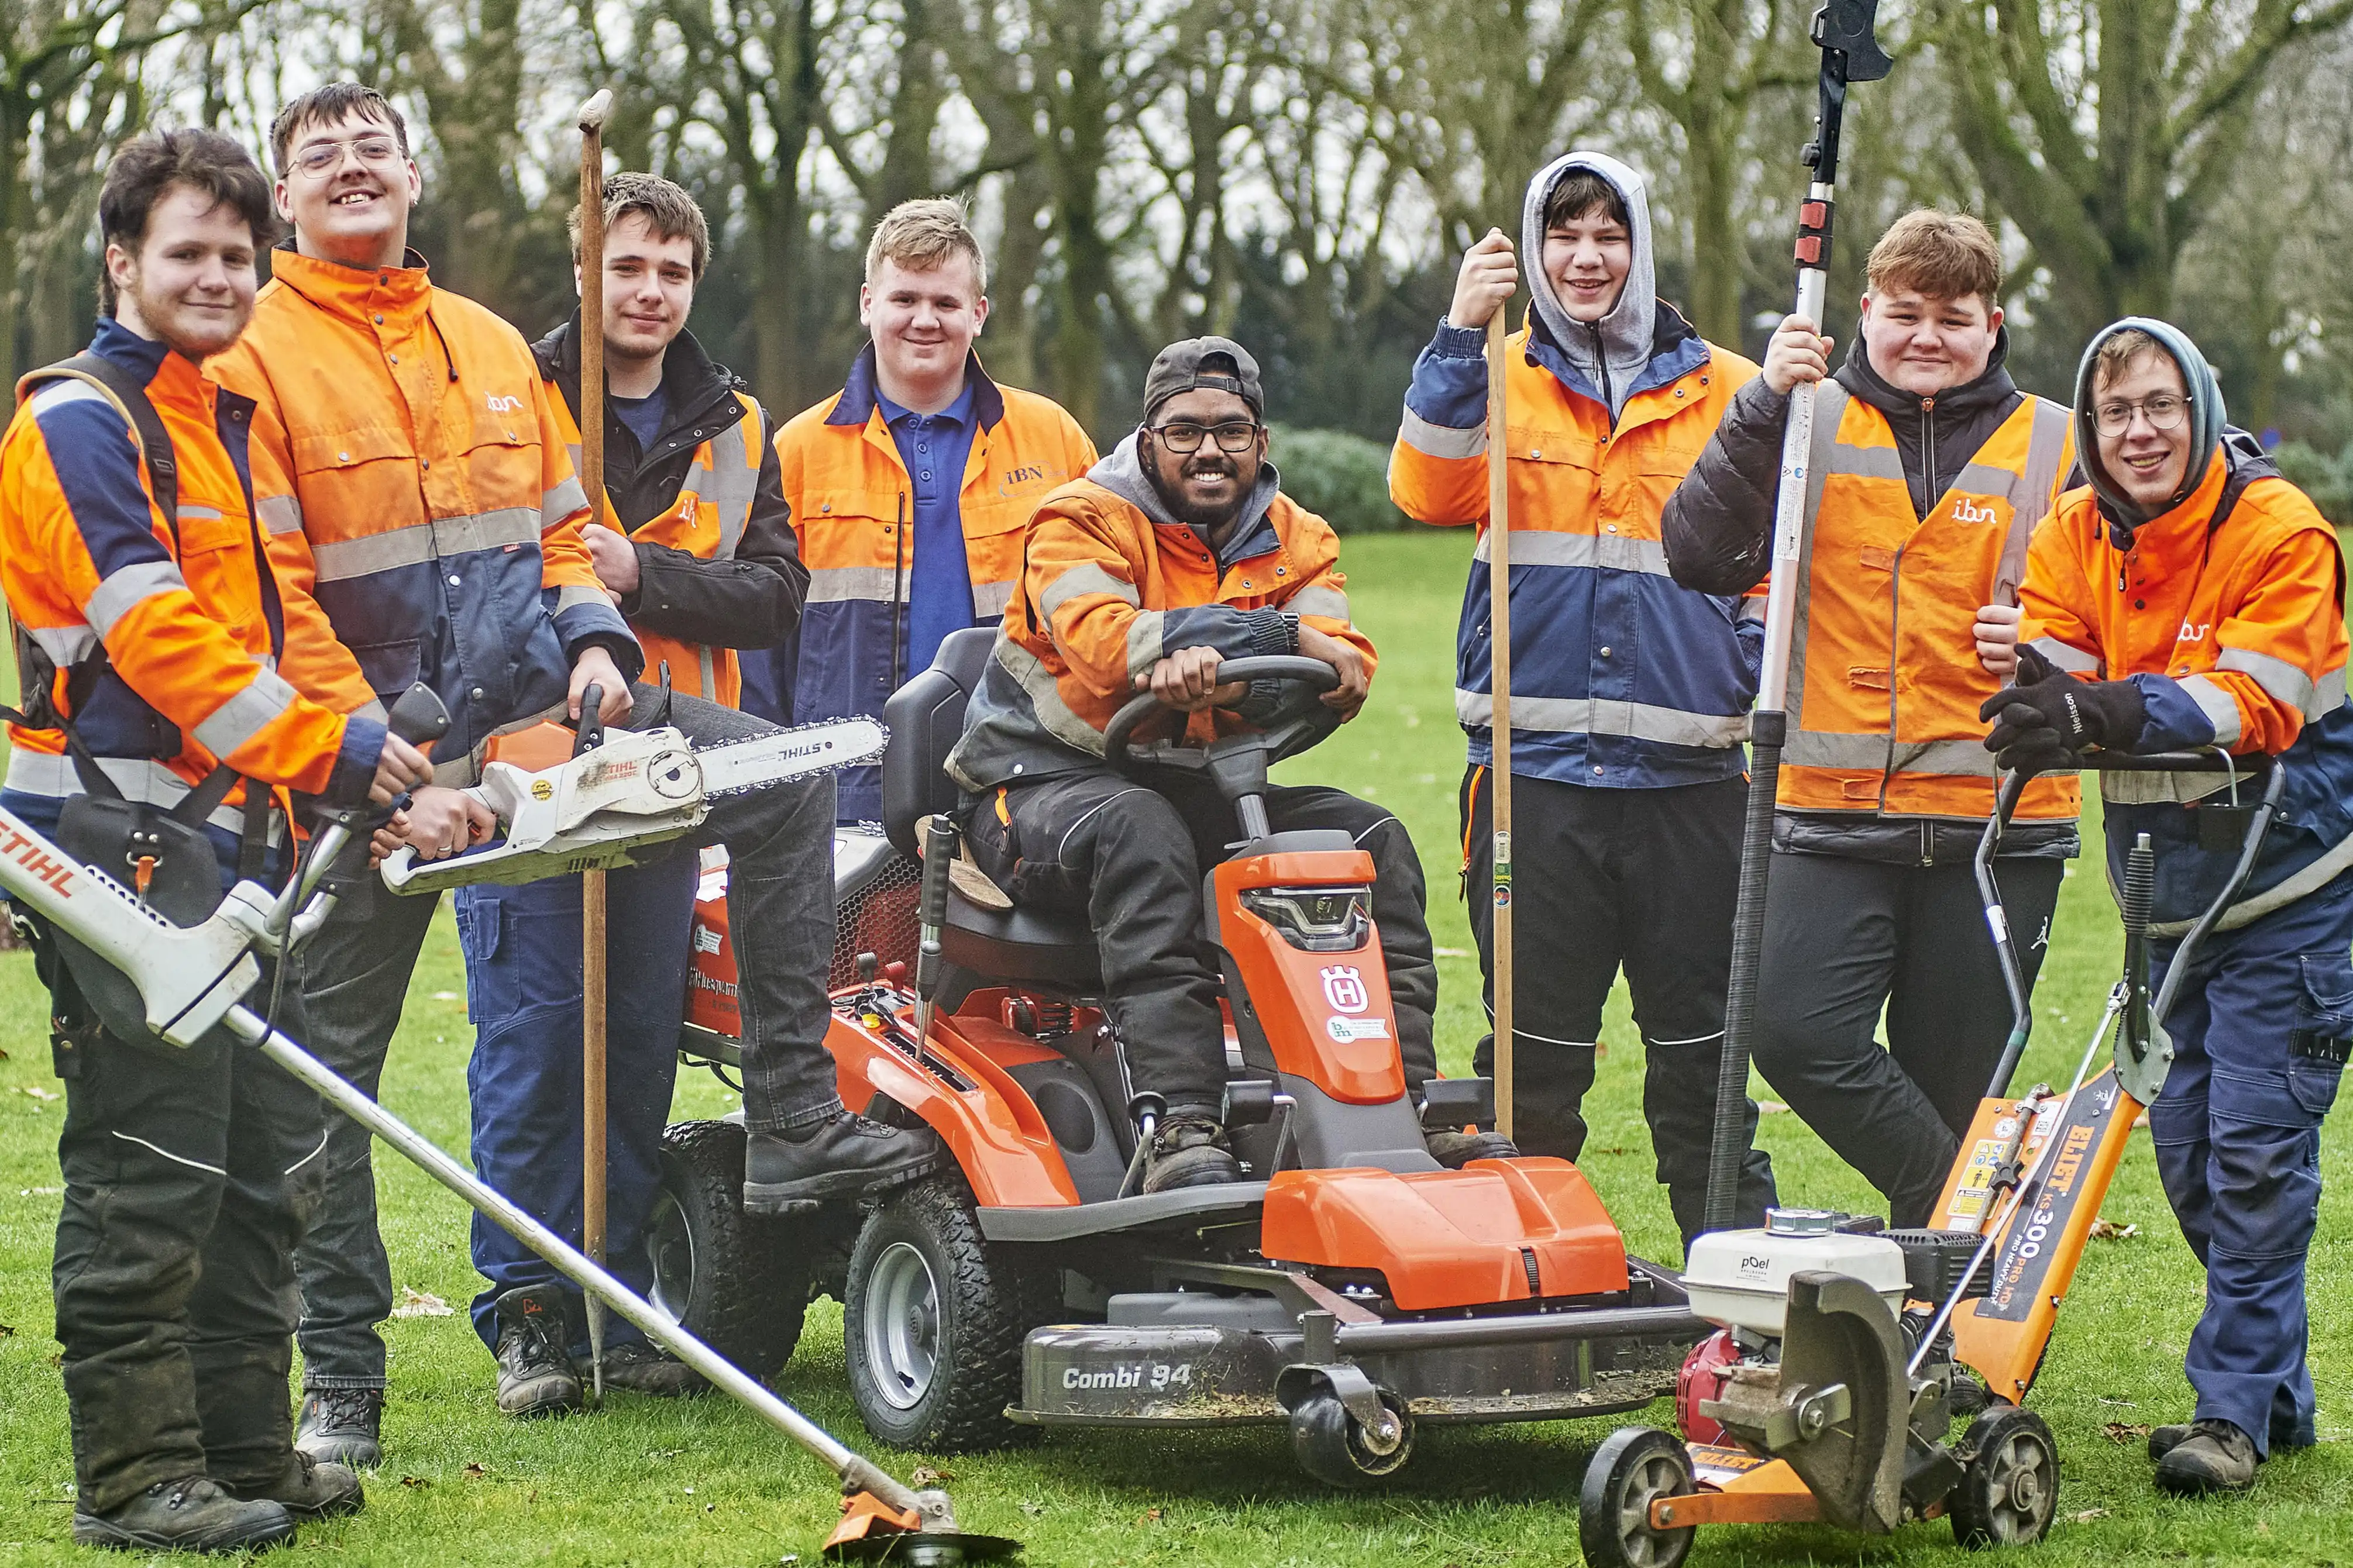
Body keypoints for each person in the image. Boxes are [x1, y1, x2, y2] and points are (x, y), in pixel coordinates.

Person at [206, 82, 935, 1460]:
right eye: (322, 156)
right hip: (361, 764)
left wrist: (599, 634)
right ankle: (344, 1379)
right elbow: (261, 585)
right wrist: (360, 752)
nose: (354, 169)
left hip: (551, 721)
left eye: (375, 149)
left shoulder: (486, 350)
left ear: (414, 175)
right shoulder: (248, 355)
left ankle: (786, 1121)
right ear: (281, 196)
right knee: (326, 1079)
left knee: (777, 785)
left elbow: (555, 532)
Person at [1, 127, 433, 1552]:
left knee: (264, 1165)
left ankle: (247, 1447)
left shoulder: (219, 418)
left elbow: (279, 630)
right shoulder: (78, 420)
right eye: (185, 251)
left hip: (236, 846)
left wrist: (375, 750)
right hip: (118, 843)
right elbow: (152, 636)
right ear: (121, 260)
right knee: (151, 1167)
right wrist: (335, 751)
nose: (217, 276)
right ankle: (133, 1480)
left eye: (239, 256)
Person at [947, 336, 1510, 1190]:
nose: (1209, 449)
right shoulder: (1076, 521)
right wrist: (1272, 636)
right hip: (1034, 788)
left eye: (1231, 430)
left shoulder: (1298, 538)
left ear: (1261, 442)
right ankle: (1180, 1126)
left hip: (1190, 779)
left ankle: (1409, 1107)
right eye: (1183, 431)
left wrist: (1228, 656)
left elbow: (1344, 667)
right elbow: (1109, 648)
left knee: (1372, 841)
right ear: (1146, 438)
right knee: (1144, 831)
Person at [439, 172, 809, 1414]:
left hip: (663, 773)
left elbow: (772, 593)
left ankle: (615, 1297)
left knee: (637, 1039)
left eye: (671, 271)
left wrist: (639, 570)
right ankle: (529, 1315)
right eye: (626, 266)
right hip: (529, 762)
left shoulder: (735, 420)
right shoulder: (506, 398)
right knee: (538, 1037)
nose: (648, 292)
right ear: (584, 272)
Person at [1387, 150, 1777, 1250]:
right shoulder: (1490, 373)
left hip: (1691, 784)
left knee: (1701, 1068)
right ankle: (1525, 1286)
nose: (1587, 256)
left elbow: (1771, 568)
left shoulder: (1733, 389)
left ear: (1641, 247)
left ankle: (1733, 1302)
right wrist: (1460, 333)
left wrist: (1742, 668)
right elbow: (1423, 491)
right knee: (1530, 1070)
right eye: (1564, 234)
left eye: (1609, 234)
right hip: (1532, 785)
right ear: (1535, 247)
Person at [1660, 209, 2075, 1228]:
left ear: (1994, 323)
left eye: (1952, 315)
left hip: (1999, 817)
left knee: (1961, 1086)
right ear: (1862, 313)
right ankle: (1964, 1215)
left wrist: (2046, 643)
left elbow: (2119, 616)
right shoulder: (1801, 418)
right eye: (1904, 313)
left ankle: (1946, 1338)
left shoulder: (2061, 441)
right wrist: (1760, 401)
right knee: (1797, 1033)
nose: (1925, 335)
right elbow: (1699, 553)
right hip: (1826, 810)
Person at [1994, 319, 2353, 1497]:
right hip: (2167, 899)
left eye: (2159, 406)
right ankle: (2279, 1395)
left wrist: (2098, 713)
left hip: (2291, 889)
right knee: (2193, 1163)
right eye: (2115, 414)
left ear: (2198, 407)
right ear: (2091, 431)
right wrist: (2035, 695)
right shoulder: (2072, 531)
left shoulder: (2277, 528)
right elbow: (2049, 667)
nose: (2138, 431)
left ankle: (2231, 1413)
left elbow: (2256, 698)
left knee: (2253, 1154)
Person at [751, 197, 1096, 820]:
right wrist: (771, 790)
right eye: (904, 299)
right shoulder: (795, 451)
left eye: (945, 303)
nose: (924, 320)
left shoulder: (1056, 440)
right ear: (867, 304)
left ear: (979, 313)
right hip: (842, 789)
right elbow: (756, 652)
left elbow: (1104, 611)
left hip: (1025, 784)